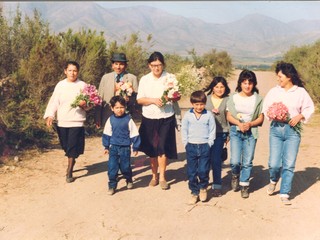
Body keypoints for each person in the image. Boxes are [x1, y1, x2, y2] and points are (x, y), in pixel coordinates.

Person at [262, 61, 315, 205]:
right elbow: (265, 107)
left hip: (293, 132)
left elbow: (309, 108)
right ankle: (273, 180)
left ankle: (285, 192)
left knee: (289, 163)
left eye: (280, 76)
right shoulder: (274, 91)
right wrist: (273, 114)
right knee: (273, 163)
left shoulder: (300, 92)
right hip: (276, 130)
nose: (278, 79)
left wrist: (300, 116)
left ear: (289, 76)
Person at [136, 51, 180, 190]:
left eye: (159, 65)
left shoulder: (170, 77)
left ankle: (162, 177)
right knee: (152, 149)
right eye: (154, 65)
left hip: (166, 117)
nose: (156, 68)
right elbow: (139, 99)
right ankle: (154, 175)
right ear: (149, 65)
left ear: (163, 65)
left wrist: (170, 97)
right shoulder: (144, 79)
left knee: (162, 147)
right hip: (149, 118)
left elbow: (177, 96)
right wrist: (153, 100)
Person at [44, 61, 90, 183]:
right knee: (65, 146)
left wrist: (85, 105)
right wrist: (50, 115)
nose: (72, 73)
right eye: (70, 70)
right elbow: (54, 101)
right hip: (63, 120)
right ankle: (72, 157)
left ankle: (69, 171)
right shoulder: (60, 85)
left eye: (75, 70)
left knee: (72, 146)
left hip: (77, 121)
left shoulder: (83, 85)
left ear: (78, 72)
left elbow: (90, 104)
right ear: (65, 71)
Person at [226, 69, 264, 198]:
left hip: (251, 133)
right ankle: (235, 175)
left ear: (254, 84)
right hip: (236, 131)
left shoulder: (258, 99)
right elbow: (229, 115)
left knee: (247, 161)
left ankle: (244, 185)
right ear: (240, 83)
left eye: (250, 83)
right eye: (244, 82)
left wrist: (250, 124)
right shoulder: (233, 97)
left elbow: (260, 117)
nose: (247, 85)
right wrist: (239, 123)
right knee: (235, 161)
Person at [181, 90, 216, 204]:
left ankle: (203, 188)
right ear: (192, 104)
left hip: (204, 146)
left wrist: (209, 143)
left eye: (201, 104)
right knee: (191, 172)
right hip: (191, 146)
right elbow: (184, 129)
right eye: (196, 104)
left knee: (203, 170)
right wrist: (186, 143)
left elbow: (212, 130)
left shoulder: (209, 115)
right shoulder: (188, 115)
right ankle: (194, 192)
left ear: (205, 104)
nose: (199, 107)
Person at [102, 95, 141, 195]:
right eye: (117, 108)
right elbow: (107, 133)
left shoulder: (128, 120)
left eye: (122, 107)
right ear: (112, 108)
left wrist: (135, 147)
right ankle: (112, 186)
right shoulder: (110, 120)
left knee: (125, 167)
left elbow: (134, 133)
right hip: (113, 147)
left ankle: (128, 179)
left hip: (125, 148)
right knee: (112, 167)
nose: (119, 110)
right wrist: (106, 146)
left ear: (125, 107)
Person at [204, 76, 231, 197]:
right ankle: (203, 185)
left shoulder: (228, 100)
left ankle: (217, 185)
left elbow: (230, 118)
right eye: (216, 87)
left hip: (220, 133)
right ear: (212, 88)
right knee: (204, 160)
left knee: (216, 160)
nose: (219, 89)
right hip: (204, 134)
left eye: (222, 87)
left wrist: (229, 133)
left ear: (225, 88)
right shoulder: (205, 99)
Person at [95, 53, 138, 129]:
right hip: (108, 114)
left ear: (125, 65)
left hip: (125, 114)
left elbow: (137, 99)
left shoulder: (132, 78)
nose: (118, 67)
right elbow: (99, 98)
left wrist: (129, 99)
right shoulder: (105, 78)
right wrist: (98, 116)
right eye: (116, 64)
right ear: (112, 65)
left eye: (121, 64)